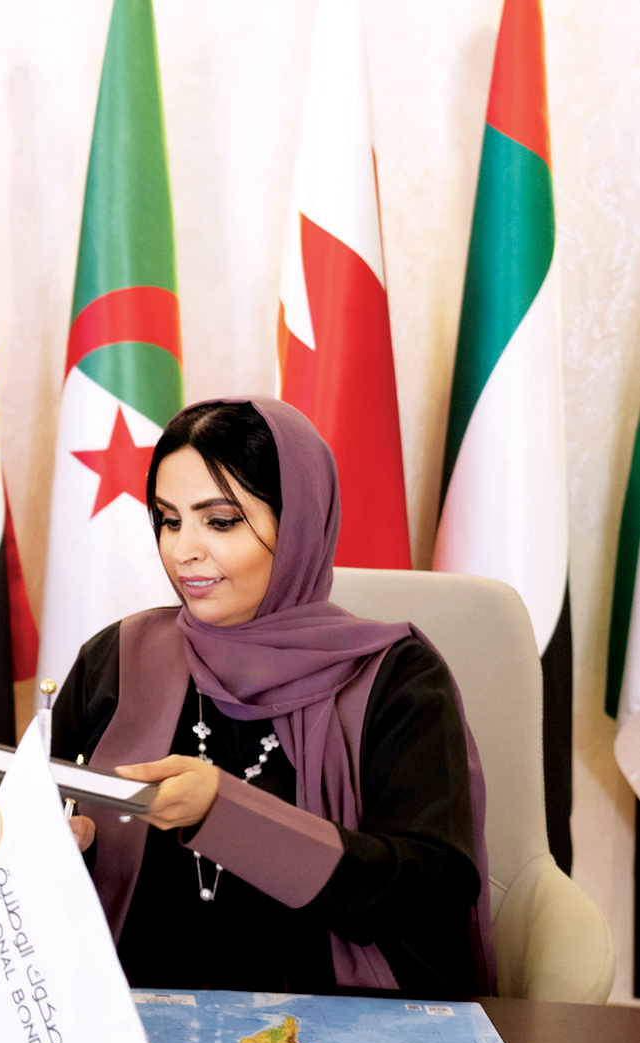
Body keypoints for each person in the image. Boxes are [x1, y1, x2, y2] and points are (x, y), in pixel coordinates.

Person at [52, 397, 492, 998]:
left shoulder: (395, 676)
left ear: (299, 525)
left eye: (220, 522)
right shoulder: (118, 657)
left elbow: (430, 890)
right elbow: (38, 827)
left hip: (331, 1026)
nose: (182, 551)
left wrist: (226, 815)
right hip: (125, 1014)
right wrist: (58, 848)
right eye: (169, 520)